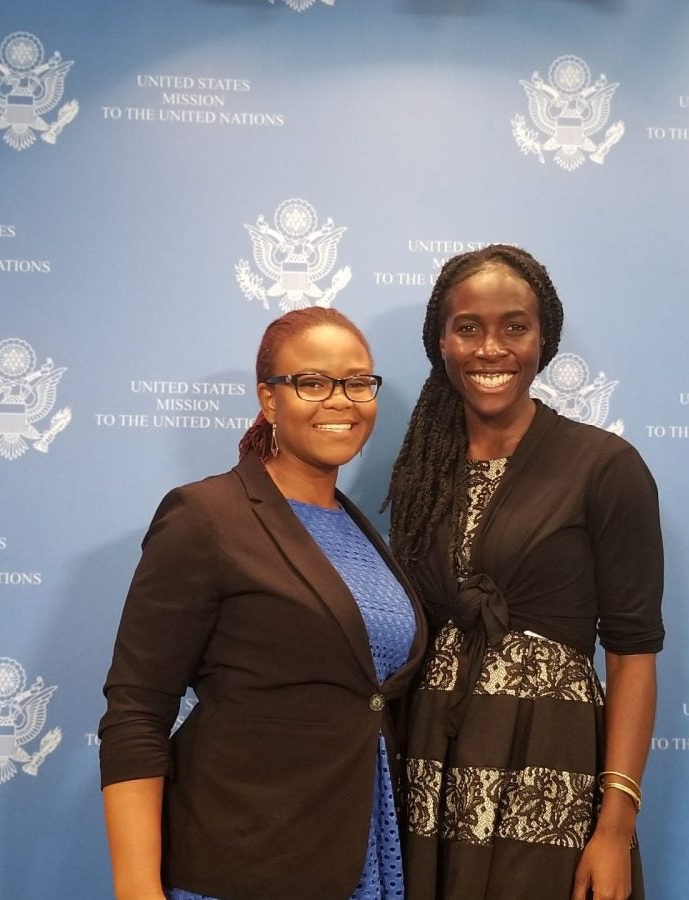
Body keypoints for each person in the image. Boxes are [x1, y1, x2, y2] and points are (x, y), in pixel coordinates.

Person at [99, 307, 425, 900]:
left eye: (357, 381)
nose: (341, 400)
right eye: (312, 382)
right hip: (245, 860)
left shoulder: (358, 529)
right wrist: (137, 889)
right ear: (269, 400)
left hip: (362, 851)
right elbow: (136, 713)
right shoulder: (205, 516)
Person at [386, 246, 664, 900]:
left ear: (545, 340)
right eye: (468, 327)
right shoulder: (420, 472)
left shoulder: (605, 467)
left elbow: (632, 657)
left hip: (550, 769)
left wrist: (615, 830)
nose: (491, 348)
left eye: (515, 326)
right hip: (434, 764)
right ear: (440, 341)